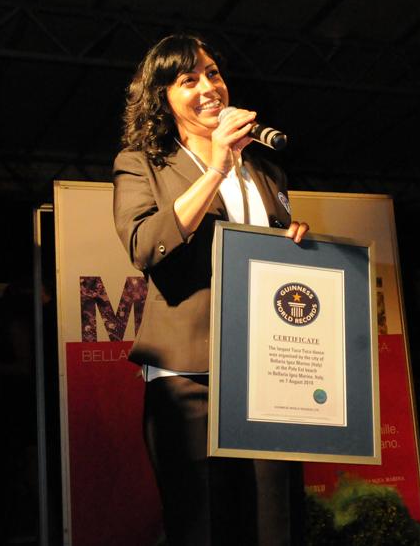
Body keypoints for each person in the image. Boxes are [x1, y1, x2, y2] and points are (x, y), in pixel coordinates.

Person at [113, 34, 308, 546]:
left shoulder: (265, 168)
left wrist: (296, 246)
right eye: (188, 79)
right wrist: (217, 167)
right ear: (163, 97)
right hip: (189, 378)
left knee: (275, 524)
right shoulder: (142, 163)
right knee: (204, 526)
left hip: (268, 373)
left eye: (213, 73)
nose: (208, 87)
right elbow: (146, 245)